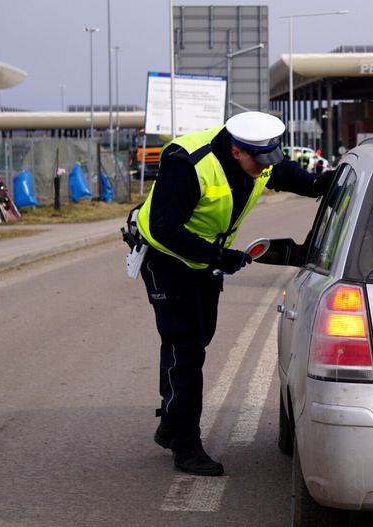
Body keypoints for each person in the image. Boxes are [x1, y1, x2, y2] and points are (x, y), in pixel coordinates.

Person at [135, 111, 330, 476]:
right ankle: (185, 446)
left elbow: (287, 174)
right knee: (185, 347)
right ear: (237, 151)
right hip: (166, 259)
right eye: (260, 161)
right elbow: (164, 229)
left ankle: (172, 421)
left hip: (203, 261)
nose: (266, 167)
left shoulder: (256, 157)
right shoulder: (188, 164)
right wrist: (220, 257)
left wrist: (322, 183)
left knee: (198, 339)